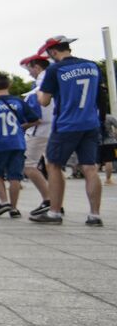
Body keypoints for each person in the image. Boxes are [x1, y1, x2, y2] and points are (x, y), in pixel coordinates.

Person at [32, 36, 105, 226]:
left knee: (54, 165)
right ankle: (95, 215)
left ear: (53, 52)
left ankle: (54, 213)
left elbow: (44, 101)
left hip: (66, 124)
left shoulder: (55, 69)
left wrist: (39, 91)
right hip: (90, 122)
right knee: (90, 167)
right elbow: (99, 95)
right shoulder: (92, 66)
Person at [0, 73, 38, 218]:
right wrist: (22, 127)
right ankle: (14, 207)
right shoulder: (19, 102)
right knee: (15, 176)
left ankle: (4, 201)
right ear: (9, 85)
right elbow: (35, 119)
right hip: (17, 142)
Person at [19, 54, 54, 216]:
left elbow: (35, 116)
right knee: (54, 166)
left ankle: (48, 200)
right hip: (56, 129)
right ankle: (56, 202)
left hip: (38, 132)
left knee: (28, 165)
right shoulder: (56, 78)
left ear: (37, 67)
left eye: (30, 69)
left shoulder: (40, 85)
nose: (29, 73)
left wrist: (22, 126)